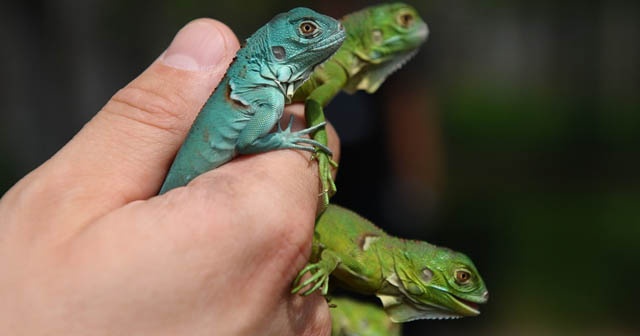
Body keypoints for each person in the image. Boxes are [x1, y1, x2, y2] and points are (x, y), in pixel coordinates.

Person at [0, 18, 339, 335]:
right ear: (277, 50)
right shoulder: (265, 97)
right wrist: (284, 140)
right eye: (307, 30)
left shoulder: (265, 93)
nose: (329, 31)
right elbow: (250, 139)